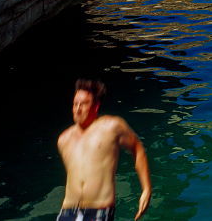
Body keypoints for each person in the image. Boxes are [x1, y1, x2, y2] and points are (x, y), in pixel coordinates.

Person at [56, 79, 151, 221]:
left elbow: (137, 149)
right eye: (75, 104)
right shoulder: (64, 139)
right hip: (67, 211)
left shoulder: (111, 126)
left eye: (84, 104)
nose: (77, 109)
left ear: (96, 106)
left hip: (98, 211)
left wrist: (146, 189)